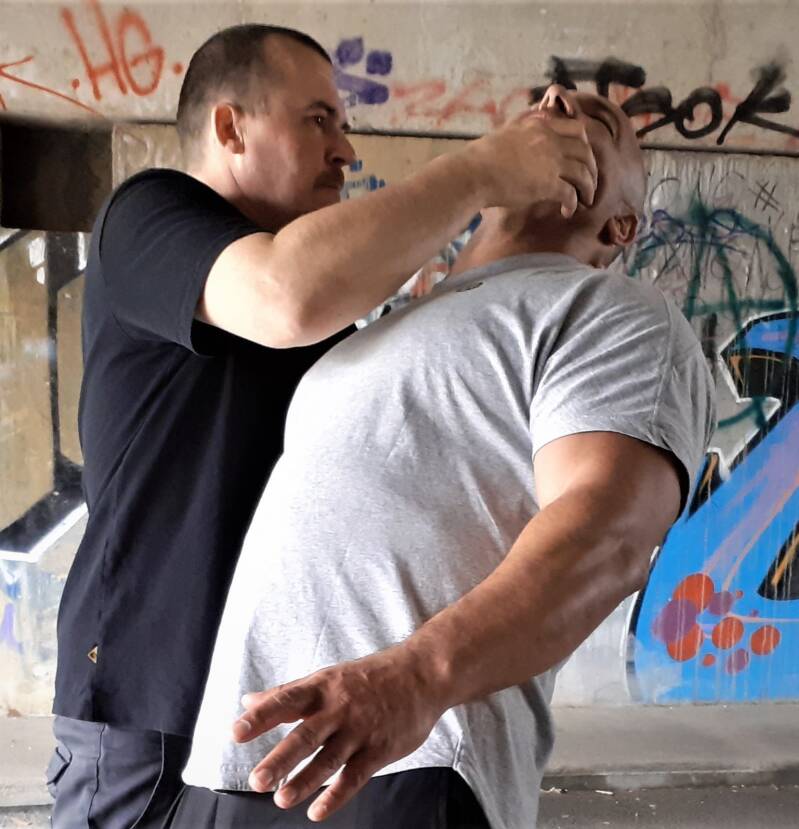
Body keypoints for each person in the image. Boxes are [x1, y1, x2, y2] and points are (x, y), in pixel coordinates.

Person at [46, 21, 602, 829]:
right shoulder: (150, 216)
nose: (344, 149)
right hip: (151, 707)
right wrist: (482, 170)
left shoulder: (332, 321)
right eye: (317, 121)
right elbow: (285, 294)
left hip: (273, 711)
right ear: (230, 127)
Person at [169, 84, 716, 829]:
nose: (554, 97)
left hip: (408, 758)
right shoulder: (375, 326)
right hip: (241, 763)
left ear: (621, 224)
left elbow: (608, 533)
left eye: (598, 121)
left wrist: (418, 677)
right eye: (542, 101)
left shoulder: (613, 313)